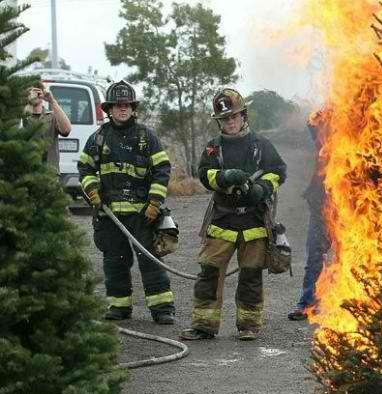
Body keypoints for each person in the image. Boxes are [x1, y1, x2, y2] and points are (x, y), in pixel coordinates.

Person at [179, 88, 287, 341]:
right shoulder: (213, 149)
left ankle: (248, 326)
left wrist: (262, 188)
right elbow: (204, 174)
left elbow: (278, 171)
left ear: (243, 116)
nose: (230, 122)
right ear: (219, 121)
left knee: (251, 276)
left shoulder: (261, 145)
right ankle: (204, 325)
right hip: (222, 221)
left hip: (254, 221)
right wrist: (224, 177)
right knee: (209, 273)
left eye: (234, 117)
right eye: (224, 119)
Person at [77, 80, 175, 324]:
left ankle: (162, 309)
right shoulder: (98, 138)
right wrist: (93, 193)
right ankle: (119, 307)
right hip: (110, 214)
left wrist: (154, 203)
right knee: (115, 262)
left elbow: (162, 169)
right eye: (117, 105)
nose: (122, 109)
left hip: (143, 213)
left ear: (133, 108)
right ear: (108, 109)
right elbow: (85, 168)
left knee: (150, 260)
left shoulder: (146, 136)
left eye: (127, 105)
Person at [287, 109, 332, 320]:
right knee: (315, 254)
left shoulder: (368, 131)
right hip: (322, 203)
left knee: (355, 254)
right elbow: (313, 122)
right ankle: (308, 303)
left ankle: (360, 303)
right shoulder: (325, 133)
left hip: (356, 202)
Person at [23, 82, 72, 172]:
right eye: (31, 92)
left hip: (49, 174)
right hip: (26, 174)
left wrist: (52, 101)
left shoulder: (52, 116)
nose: (34, 95)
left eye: (37, 92)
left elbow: (66, 130)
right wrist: (28, 103)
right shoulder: (21, 116)